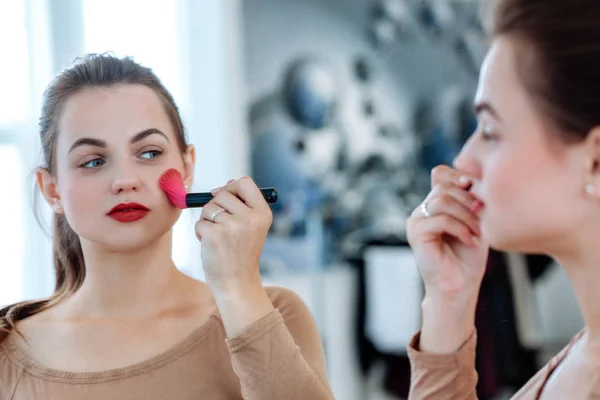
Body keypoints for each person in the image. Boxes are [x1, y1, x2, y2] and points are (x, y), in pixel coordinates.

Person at [0, 54, 333, 400]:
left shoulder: (274, 312)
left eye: (148, 153)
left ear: (187, 168)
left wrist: (238, 289)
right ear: (52, 189)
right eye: (93, 161)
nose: (125, 180)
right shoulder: (9, 351)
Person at [406, 0, 600, 398]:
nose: (463, 160)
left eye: (490, 131)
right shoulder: (584, 354)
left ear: (595, 161)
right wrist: (449, 300)